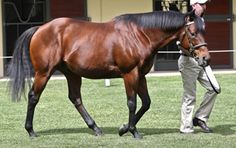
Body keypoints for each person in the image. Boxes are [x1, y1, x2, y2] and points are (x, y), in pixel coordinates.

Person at [178, 0, 218, 134]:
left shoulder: (201, 20)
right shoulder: (184, 20)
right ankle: (186, 128)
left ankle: (200, 118)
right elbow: (179, 43)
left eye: (205, 4)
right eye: (202, 4)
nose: (205, 6)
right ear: (194, 5)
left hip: (200, 61)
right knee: (190, 96)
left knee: (215, 88)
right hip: (188, 61)